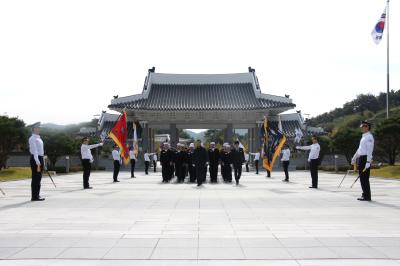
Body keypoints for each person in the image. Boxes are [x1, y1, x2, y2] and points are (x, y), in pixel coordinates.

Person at [351, 120, 374, 201]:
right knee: (362, 178)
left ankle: (367, 196)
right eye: (361, 127)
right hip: (361, 158)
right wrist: (354, 157)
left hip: (365, 159)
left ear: (367, 127)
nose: (362, 128)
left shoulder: (369, 137)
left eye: (363, 127)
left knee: (364, 178)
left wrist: (368, 162)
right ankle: (364, 194)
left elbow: (369, 150)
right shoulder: (363, 136)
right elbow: (360, 149)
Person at [29, 122, 45, 201]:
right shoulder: (32, 138)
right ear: (34, 129)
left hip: (40, 158)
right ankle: (34, 196)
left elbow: (40, 151)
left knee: (38, 178)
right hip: (36, 159)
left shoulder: (38, 137)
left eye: (40, 128)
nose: (39, 129)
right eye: (38, 128)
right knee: (35, 178)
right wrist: (37, 161)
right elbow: (34, 151)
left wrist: (42, 160)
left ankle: (37, 195)